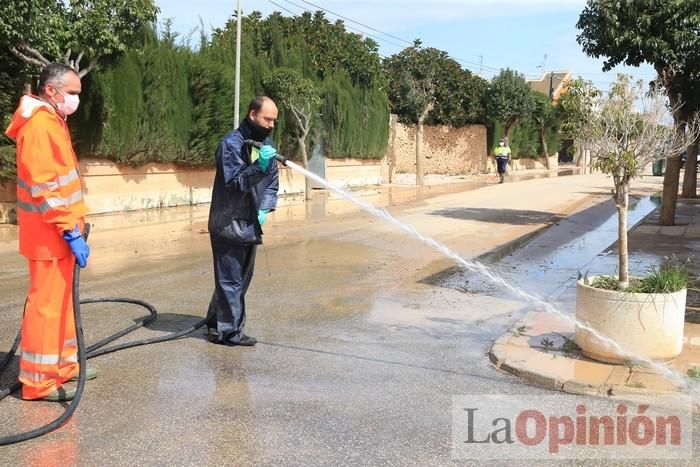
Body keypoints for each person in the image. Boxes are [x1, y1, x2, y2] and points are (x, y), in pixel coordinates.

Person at [5, 63, 92, 402]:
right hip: (50, 235)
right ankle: (39, 382)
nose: (75, 100)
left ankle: (64, 366)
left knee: (64, 304)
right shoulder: (40, 126)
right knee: (46, 307)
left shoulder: (54, 121)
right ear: (51, 90)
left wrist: (74, 228)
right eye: (72, 93)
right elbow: (45, 188)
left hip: (62, 233)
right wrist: (68, 229)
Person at [205, 96, 280, 346]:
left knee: (238, 281)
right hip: (228, 223)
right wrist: (259, 165)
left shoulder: (264, 144)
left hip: (250, 224)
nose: (271, 125)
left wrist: (265, 208)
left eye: (274, 121)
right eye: (267, 119)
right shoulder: (231, 145)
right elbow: (234, 184)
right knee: (230, 280)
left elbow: (272, 182)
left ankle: (216, 322)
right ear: (252, 114)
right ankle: (229, 333)